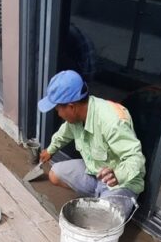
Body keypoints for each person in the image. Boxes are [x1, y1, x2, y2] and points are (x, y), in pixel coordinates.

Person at [38, 70, 146, 217]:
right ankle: (98, 199)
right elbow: (63, 134)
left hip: (120, 183)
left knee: (102, 220)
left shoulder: (111, 121)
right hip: (95, 172)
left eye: (58, 109)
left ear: (71, 107)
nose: (58, 114)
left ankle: (106, 204)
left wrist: (118, 175)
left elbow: (136, 158)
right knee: (54, 174)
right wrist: (50, 150)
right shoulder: (76, 118)